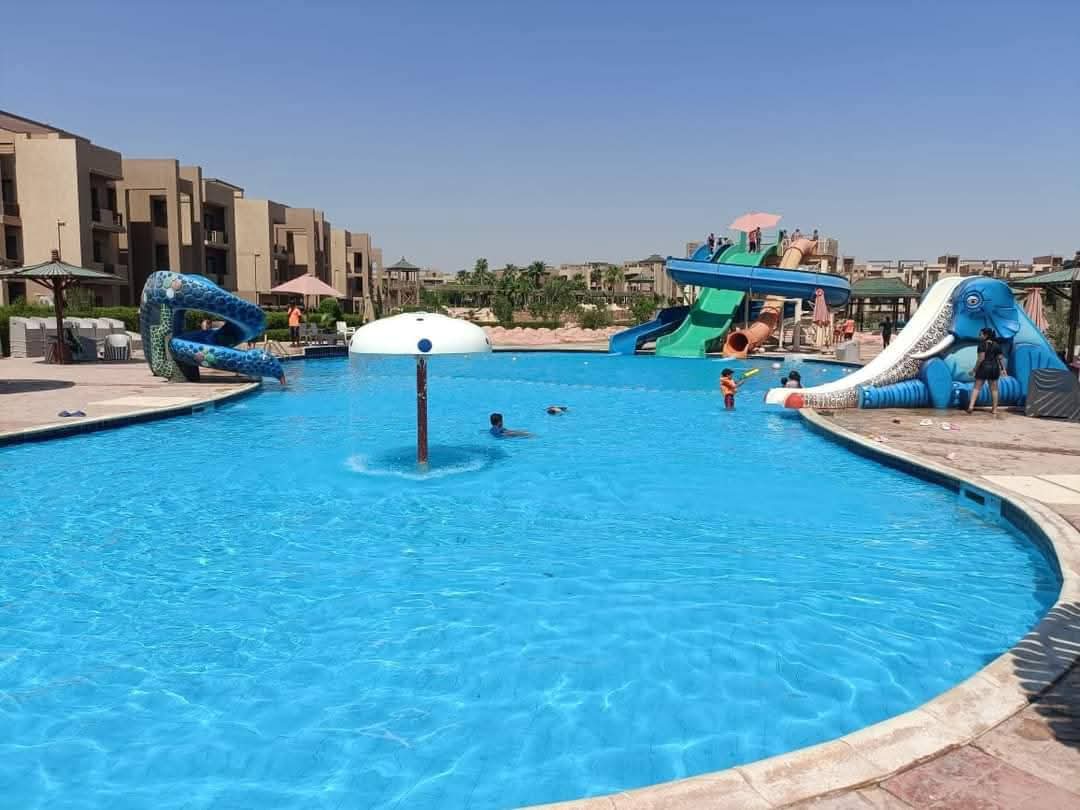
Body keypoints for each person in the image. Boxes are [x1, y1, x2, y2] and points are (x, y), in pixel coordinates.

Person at [967, 328, 1008, 417]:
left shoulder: (982, 345)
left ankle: (971, 406)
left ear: (986, 335)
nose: (979, 336)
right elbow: (1000, 358)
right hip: (994, 368)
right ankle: (994, 409)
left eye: (980, 334)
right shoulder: (997, 345)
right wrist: (1003, 369)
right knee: (994, 389)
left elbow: (981, 359)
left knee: (976, 387)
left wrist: (974, 370)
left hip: (984, 368)